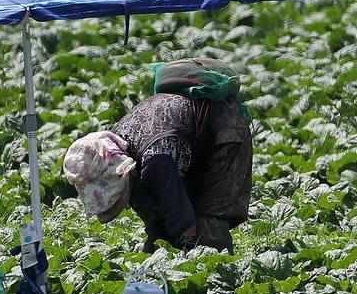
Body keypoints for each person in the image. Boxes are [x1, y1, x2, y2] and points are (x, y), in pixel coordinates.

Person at [64, 89, 252, 253]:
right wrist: (155, 245)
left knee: (208, 216)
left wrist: (188, 245)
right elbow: (150, 206)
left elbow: (184, 222)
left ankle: (218, 271)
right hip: (184, 141)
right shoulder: (119, 144)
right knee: (176, 211)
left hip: (225, 131)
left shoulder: (156, 162)